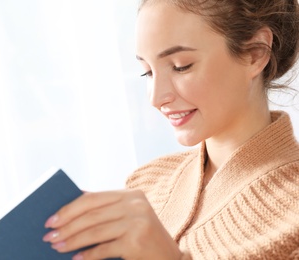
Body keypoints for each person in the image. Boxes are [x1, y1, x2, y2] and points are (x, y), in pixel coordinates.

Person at [41, 0, 299, 259]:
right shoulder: (147, 183)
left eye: (180, 66)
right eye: (147, 73)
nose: (156, 98)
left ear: (256, 53)